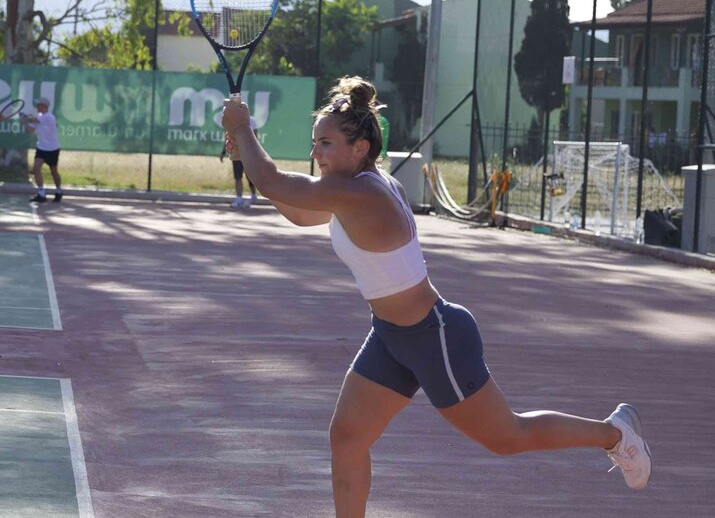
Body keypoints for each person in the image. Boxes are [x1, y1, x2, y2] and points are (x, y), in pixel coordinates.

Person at [220, 77, 652, 516]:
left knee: (507, 437)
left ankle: (614, 433)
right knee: (347, 437)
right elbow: (296, 209)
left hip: (434, 336)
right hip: (391, 335)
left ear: (361, 147)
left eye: (326, 143)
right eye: (315, 143)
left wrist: (243, 128)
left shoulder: (364, 192)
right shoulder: (352, 190)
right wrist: (247, 151)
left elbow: (275, 180)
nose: (316, 154)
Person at [25, 99, 63, 203]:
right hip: (41, 148)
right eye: (37, 105)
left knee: (54, 171)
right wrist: (23, 122)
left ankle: (59, 191)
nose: (37, 107)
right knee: (36, 168)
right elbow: (29, 130)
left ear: (44, 106)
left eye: (39, 105)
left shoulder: (49, 117)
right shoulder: (39, 118)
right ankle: (41, 194)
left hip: (53, 149)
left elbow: (33, 120)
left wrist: (27, 118)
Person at [220, 130, 258, 209]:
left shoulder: (251, 121)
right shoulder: (232, 122)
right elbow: (228, 138)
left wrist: (255, 154)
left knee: (250, 177)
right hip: (236, 155)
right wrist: (223, 152)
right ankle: (239, 199)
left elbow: (255, 139)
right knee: (238, 177)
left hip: (248, 156)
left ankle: (253, 196)